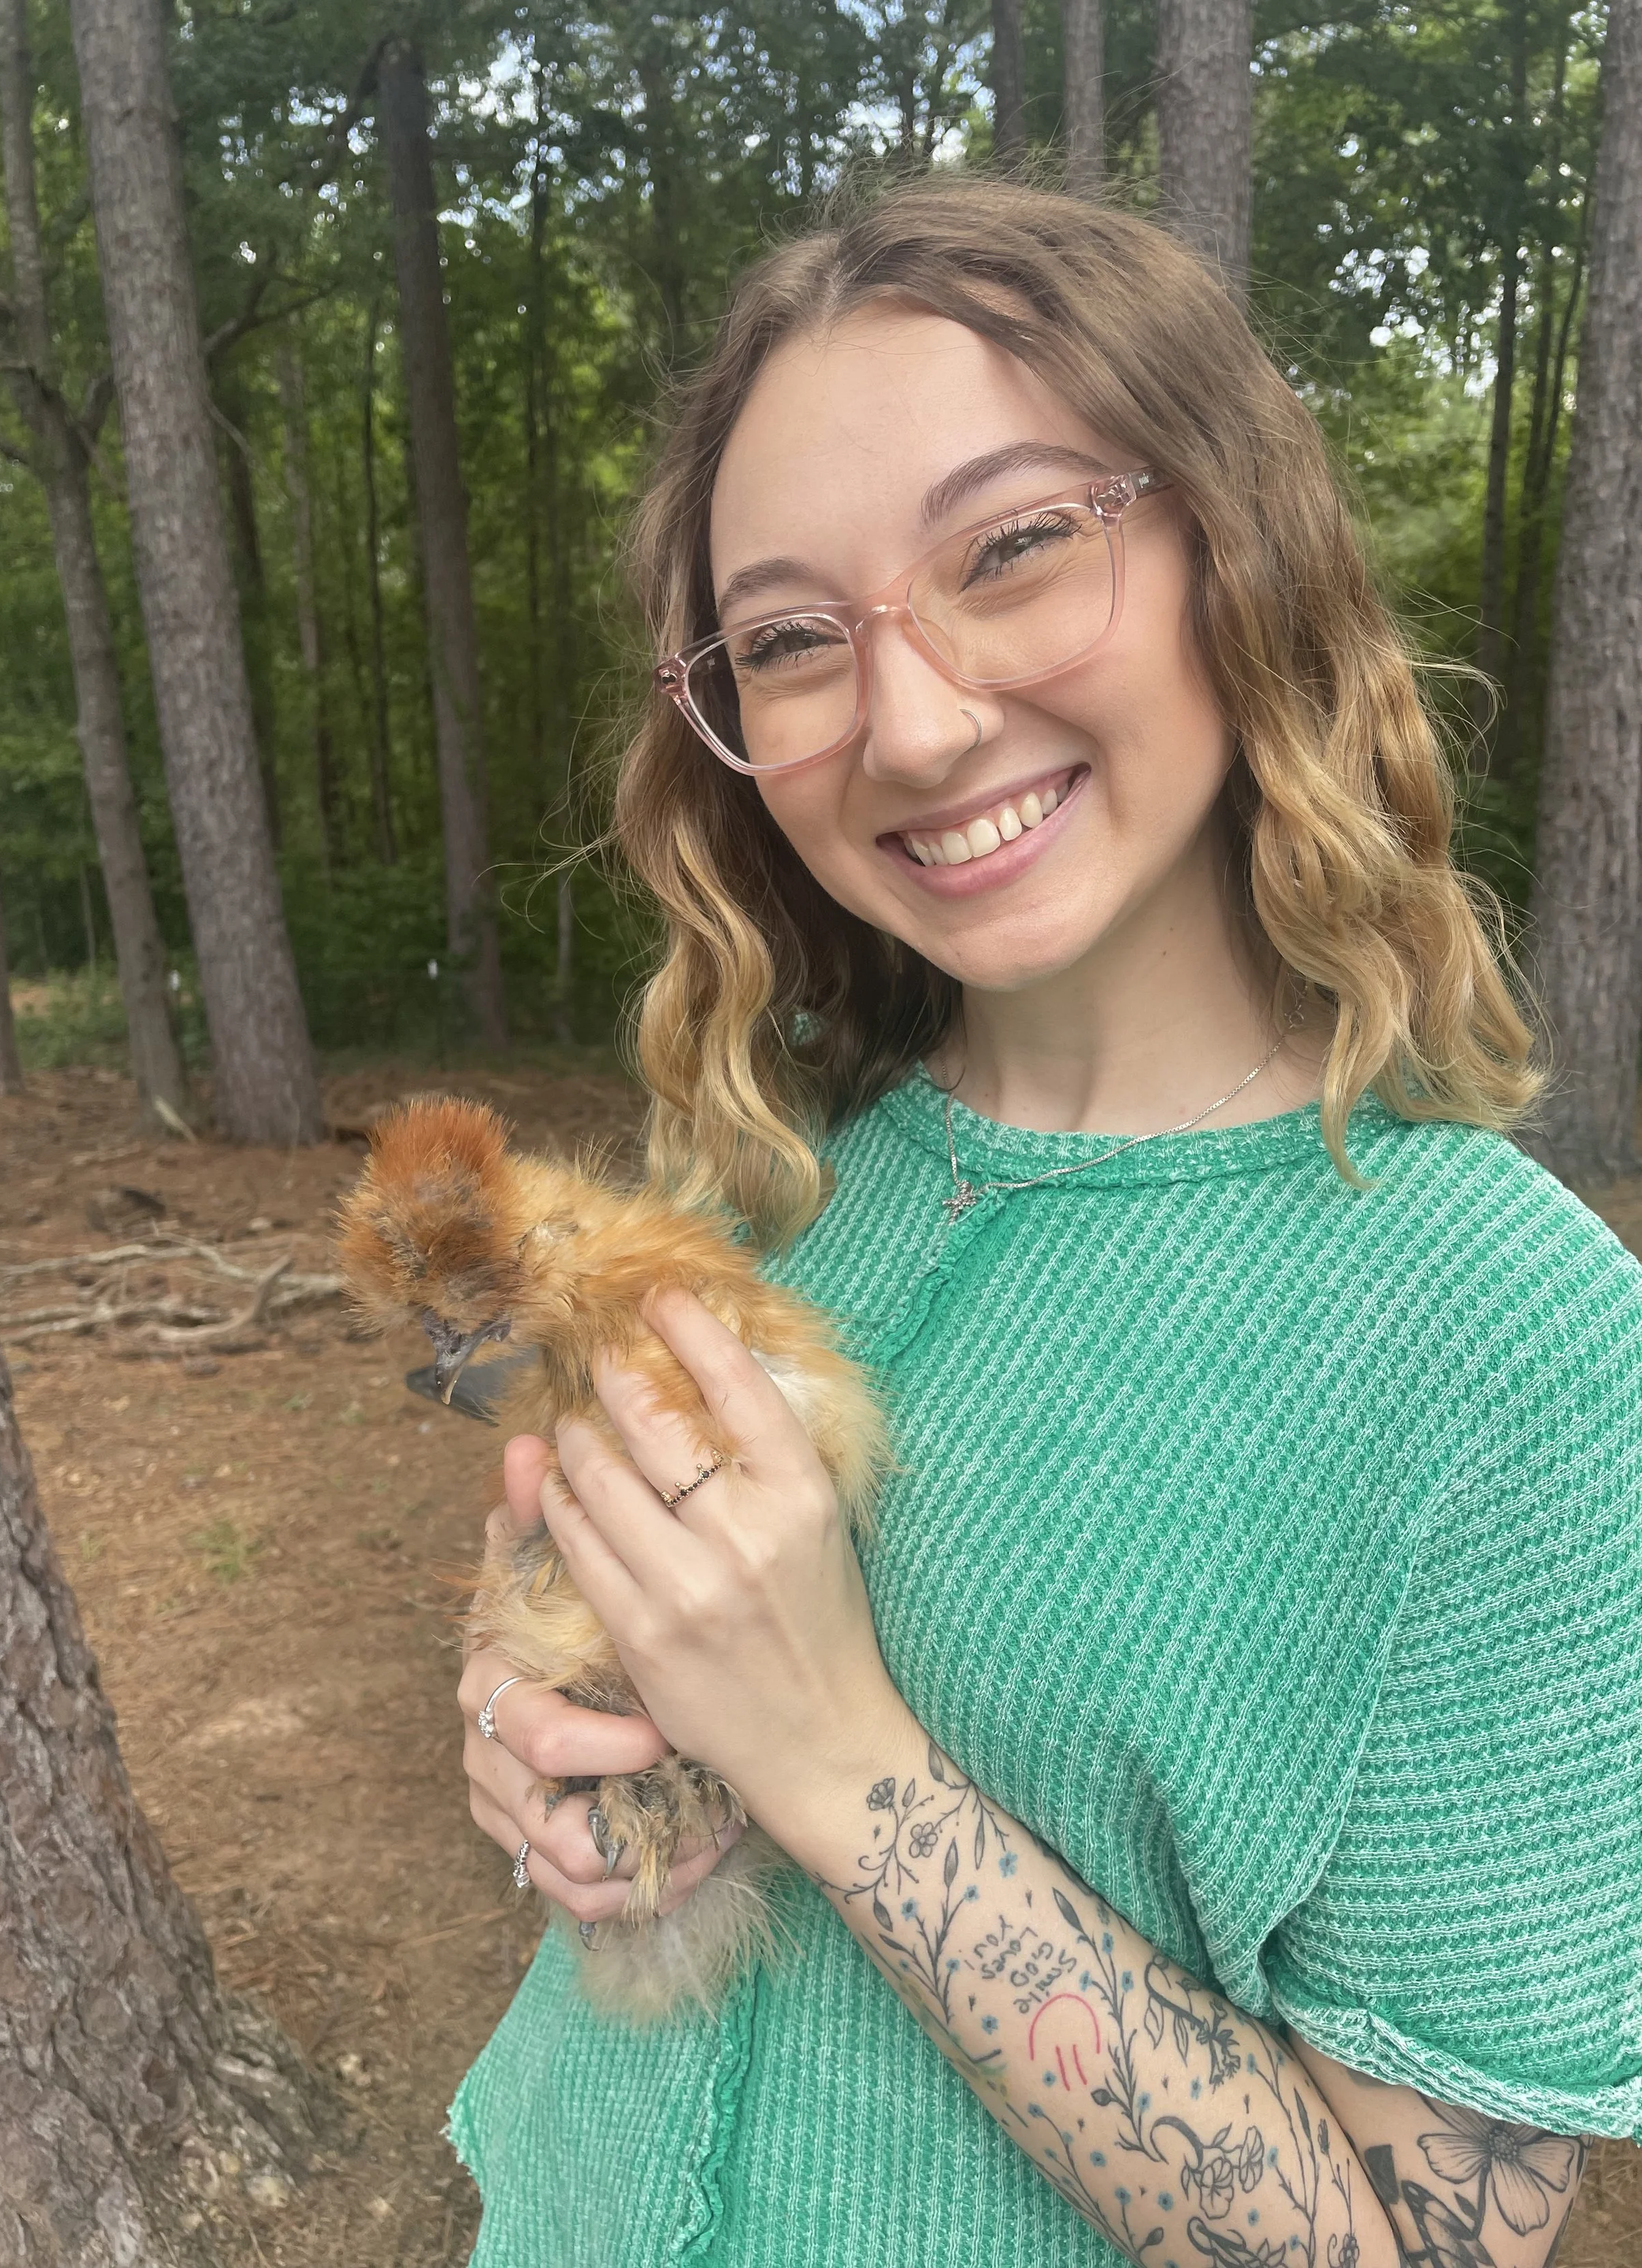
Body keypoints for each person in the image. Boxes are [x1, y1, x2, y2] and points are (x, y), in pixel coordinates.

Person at [448, 180, 1642, 2268]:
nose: (909, 722)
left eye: (1011, 546)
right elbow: (579, 1616)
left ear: (1227, 544)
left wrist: (837, 1765)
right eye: (792, 640)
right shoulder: (764, 1162)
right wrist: (530, 1730)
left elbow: (1424, 2243)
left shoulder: (1515, 1348)